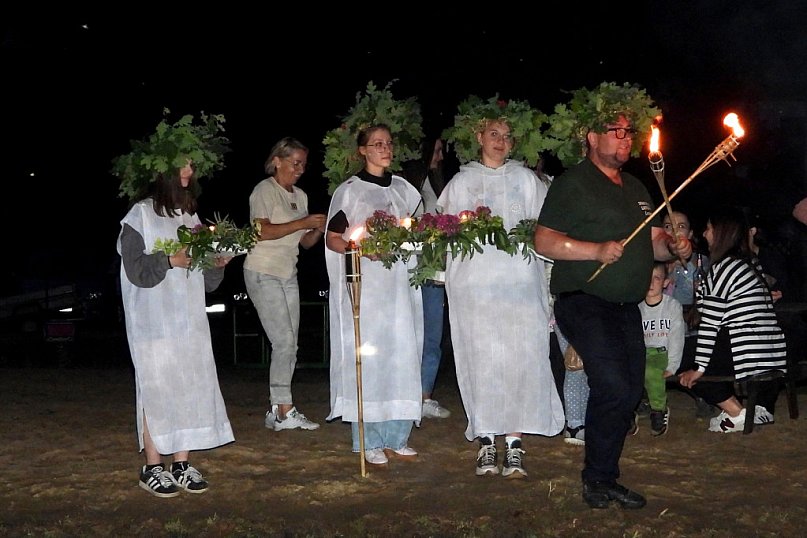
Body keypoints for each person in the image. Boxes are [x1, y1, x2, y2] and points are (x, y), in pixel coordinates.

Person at [534, 116, 691, 509]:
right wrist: (595, 250)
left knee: (630, 388)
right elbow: (544, 240)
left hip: (625, 306)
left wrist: (675, 246)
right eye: (615, 131)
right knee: (614, 384)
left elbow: (654, 243)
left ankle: (603, 477)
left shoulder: (638, 187)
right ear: (591, 137)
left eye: (628, 132)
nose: (625, 139)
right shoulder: (574, 182)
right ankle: (598, 479)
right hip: (583, 299)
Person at [437, 116, 564, 479]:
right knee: (482, 360)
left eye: (507, 137)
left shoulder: (526, 180)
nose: (500, 141)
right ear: (479, 137)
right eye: (493, 134)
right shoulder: (461, 183)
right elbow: (444, 233)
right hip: (475, 291)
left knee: (521, 360)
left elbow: (546, 229)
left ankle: (514, 443)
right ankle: (486, 442)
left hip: (520, 288)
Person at [117, 160, 235, 498]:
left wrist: (215, 262)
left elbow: (207, 280)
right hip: (152, 320)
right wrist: (169, 260)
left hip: (189, 318)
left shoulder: (191, 217)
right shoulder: (138, 216)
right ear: (163, 170)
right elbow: (136, 271)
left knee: (190, 385)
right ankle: (153, 467)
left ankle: (181, 463)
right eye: (182, 167)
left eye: (192, 168)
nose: (189, 173)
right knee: (156, 388)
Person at [324, 124, 423, 466]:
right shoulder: (351, 191)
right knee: (371, 359)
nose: (385, 148)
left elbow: (416, 230)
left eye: (389, 143)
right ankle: (369, 439)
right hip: (367, 291)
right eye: (377, 144)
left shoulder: (403, 191)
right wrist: (359, 248)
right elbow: (332, 237)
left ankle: (398, 435)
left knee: (401, 355)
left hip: (398, 288)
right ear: (363, 151)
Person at [678, 205, 787, 432]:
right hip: (771, 349)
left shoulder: (725, 267)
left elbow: (709, 324)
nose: (704, 234)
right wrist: (702, 290)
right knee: (703, 349)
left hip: (747, 349)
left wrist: (699, 367)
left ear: (721, 232)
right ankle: (761, 410)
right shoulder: (749, 263)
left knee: (678, 352)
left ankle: (736, 412)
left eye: (708, 228)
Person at [243, 137, 326, 432]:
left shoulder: (300, 196)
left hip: (288, 273)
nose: (301, 169)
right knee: (284, 342)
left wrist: (318, 228)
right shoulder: (263, 191)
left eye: (304, 163)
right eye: (295, 163)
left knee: (291, 344)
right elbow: (261, 232)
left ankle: (278, 408)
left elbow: (305, 243)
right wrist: (302, 223)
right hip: (262, 271)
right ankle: (283, 409)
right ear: (277, 160)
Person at [402, 135, 451, 421]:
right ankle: (405, 394)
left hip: (434, 267)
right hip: (408, 269)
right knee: (410, 334)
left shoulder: (438, 185)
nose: (440, 155)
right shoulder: (404, 186)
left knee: (433, 334)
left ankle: (425, 395)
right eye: (436, 149)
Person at [660, 210, 714, 418]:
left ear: (690, 234)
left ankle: (702, 393)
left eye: (680, 227)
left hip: (691, 328)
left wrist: (686, 264)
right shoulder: (652, 262)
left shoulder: (701, 262)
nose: (673, 231)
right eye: (667, 226)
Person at [639, 262, 685, 436]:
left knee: (651, 372)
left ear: (665, 282)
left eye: (656, 278)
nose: (651, 283)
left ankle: (659, 409)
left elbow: (677, 336)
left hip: (662, 352)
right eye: (647, 279)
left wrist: (672, 364)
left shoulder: (672, 306)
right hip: (644, 352)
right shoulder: (638, 307)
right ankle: (630, 412)